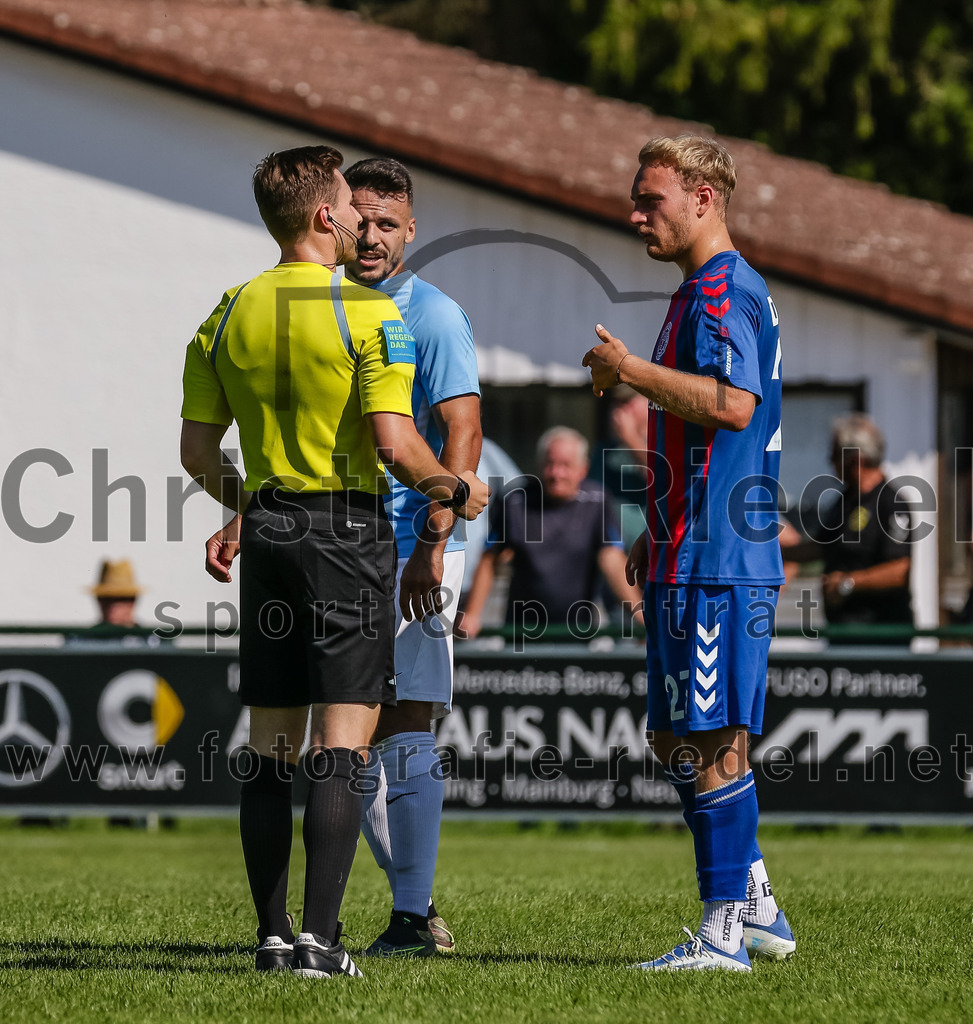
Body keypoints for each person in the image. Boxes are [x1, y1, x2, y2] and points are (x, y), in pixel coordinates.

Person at [181, 145, 488, 978]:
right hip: (346, 530)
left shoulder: (227, 312)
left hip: (269, 530)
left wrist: (250, 505)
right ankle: (320, 941)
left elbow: (196, 452)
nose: (361, 222)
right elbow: (395, 445)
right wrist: (453, 488)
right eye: (352, 208)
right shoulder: (367, 312)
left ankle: (272, 937)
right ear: (324, 215)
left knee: (269, 746)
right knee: (343, 748)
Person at [582, 134, 794, 971]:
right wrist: (658, 524)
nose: (637, 214)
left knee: (706, 743)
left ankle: (722, 934)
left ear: (703, 198)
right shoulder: (696, 291)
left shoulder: (721, 291)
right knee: (677, 737)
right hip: (689, 545)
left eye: (651, 199)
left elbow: (733, 406)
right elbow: (710, 434)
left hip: (719, 559)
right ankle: (756, 906)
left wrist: (630, 370)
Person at [342, 156, 481, 957]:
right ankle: (414, 907)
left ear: (410, 231)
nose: (372, 237)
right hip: (334, 542)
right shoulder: (320, 305)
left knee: (408, 718)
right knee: (339, 730)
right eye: (361, 220)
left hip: (412, 545)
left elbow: (463, 433)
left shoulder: (432, 314)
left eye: (387, 224)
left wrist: (432, 542)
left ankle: (409, 914)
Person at [458, 426, 643, 640]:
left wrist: (640, 618)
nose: (556, 473)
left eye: (565, 465)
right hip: (521, 632)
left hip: (577, 633)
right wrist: (472, 614)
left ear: (583, 469)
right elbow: (489, 558)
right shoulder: (516, 501)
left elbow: (612, 560)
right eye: (550, 464)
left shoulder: (596, 502)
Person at [779, 413, 913, 642]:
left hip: (882, 637)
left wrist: (848, 583)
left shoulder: (891, 503)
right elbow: (821, 547)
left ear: (856, 459)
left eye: (834, 454)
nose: (830, 461)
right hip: (842, 633)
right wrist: (772, 551)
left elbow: (900, 570)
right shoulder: (844, 501)